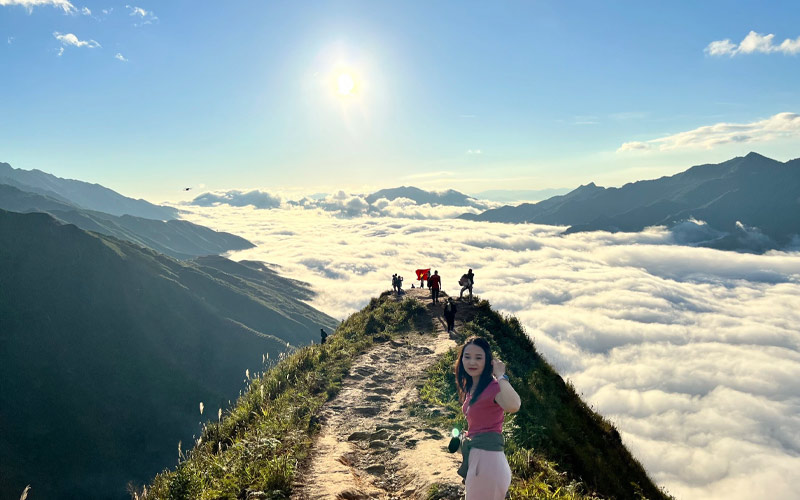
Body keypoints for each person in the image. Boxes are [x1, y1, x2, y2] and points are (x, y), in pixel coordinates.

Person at [454, 336, 521, 500]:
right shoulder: (473, 387)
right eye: (467, 356)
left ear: (488, 361)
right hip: (480, 459)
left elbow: (513, 405)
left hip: (488, 463)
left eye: (479, 358)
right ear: (461, 359)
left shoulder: (493, 387)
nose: (472, 362)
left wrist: (501, 375)